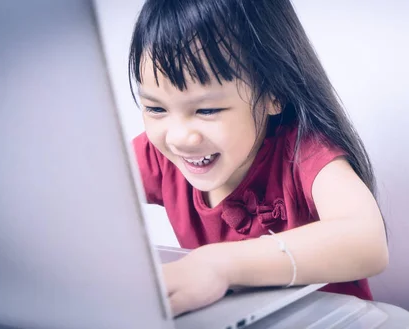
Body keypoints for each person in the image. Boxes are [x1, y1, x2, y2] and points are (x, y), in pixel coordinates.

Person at [129, 0, 388, 316]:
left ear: (274, 94)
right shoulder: (157, 156)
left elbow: (366, 240)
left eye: (207, 110)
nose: (179, 137)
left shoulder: (304, 152)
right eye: (156, 109)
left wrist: (219, 266)